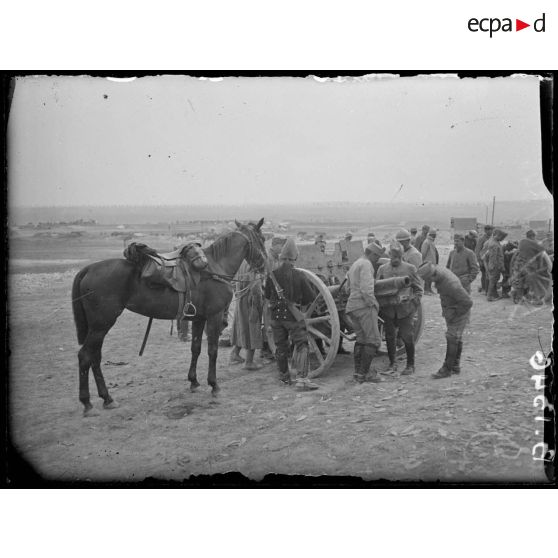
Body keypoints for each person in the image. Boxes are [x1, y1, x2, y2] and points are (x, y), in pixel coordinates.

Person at [264, 238, 319, 390]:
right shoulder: (299, 275)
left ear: (282, 258)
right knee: (302, 345)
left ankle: (284, 378)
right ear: (294, 259)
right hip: (292, 318)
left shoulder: (272, 275)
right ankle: (302, 380)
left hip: (276, 318)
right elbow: (310, 297)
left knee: (281, 347)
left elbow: (268, 295)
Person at [417, 262, 473, 379]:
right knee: (456, 338)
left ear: (432, 276)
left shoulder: (450, 284)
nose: (428, 282)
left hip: (458, 311)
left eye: (427, 279)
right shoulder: (438, 273)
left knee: (452, 338)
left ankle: (446, 369)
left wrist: (454, 314)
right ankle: (455, 366)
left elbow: (467, 302)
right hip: (452, 310)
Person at [376, 242, 423, 375]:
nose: (395, 259)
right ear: (389, 255)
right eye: (393, 256)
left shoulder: (410, 269)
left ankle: (410, 365)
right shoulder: (382, 269)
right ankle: (392, 364)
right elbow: (377, 288)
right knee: (390, 337)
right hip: (388, 310)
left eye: (398, 256)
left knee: (407, 337)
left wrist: (413, 304)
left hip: (405, 310)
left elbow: (419, 289)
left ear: (402, 255)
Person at [345, 244, 384, 383]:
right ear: (372, 254)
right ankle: (364, 374)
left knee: (361, 339)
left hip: (352, 307)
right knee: (374, 340)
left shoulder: (355, 264)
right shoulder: (366, 264)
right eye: (377, 256)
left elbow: (347, 288)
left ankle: (357, 372)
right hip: (364, 306)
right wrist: (373, 303)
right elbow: (366, 289)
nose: (377, 259)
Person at [229, 261, 264, 370]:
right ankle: (249, 362)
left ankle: (235, 354)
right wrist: (259, 305)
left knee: (241, 327)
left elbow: (234, 282)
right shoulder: (254, 263)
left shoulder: (242, 262)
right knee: (252, 329)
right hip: (251, 302)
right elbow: (256, 288)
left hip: (241, 299)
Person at [510, 229, 547, 303]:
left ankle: (518, 298)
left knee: (520, 282)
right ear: (532, 236)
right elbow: (543, 251)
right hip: (529, 267)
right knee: (533, 283)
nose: (535, 237)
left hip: (518, 266)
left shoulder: (522, 241)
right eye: (535, 236)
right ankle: (536, 300)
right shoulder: (534, 243)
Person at [484, 228, 507, 301]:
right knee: (492, 281)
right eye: (501, 237)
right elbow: (493, 257)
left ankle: (492, 295)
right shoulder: (494, 244)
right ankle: (489, 296)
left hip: (494, 265)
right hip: (495, 266)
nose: (502, 239)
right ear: (497, 235)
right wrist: (496, 266)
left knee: (493, 280)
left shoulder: (494, 242)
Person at [475, 225, 494, 294]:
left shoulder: (492, 238)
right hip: (483, 260)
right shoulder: (482, 239)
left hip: (490, 260)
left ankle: (488, 288)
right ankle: (483, 288)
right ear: (486, 231)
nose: (491, 231)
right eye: (490, 230)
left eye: (492, 230)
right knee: (484, 274)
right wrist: (479, 261)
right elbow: (477, 250)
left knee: (489, 274)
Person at [420, 230, 439, 294]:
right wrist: (424, 262)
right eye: (435, 234)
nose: (436, 236)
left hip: (432, 263)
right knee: (427, 277)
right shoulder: (426, 242)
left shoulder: (431, 242)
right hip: (427, 262)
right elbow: (423, 253)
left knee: (431, 277)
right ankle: (426, 290)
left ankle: (429, 289)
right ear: (432, 235)